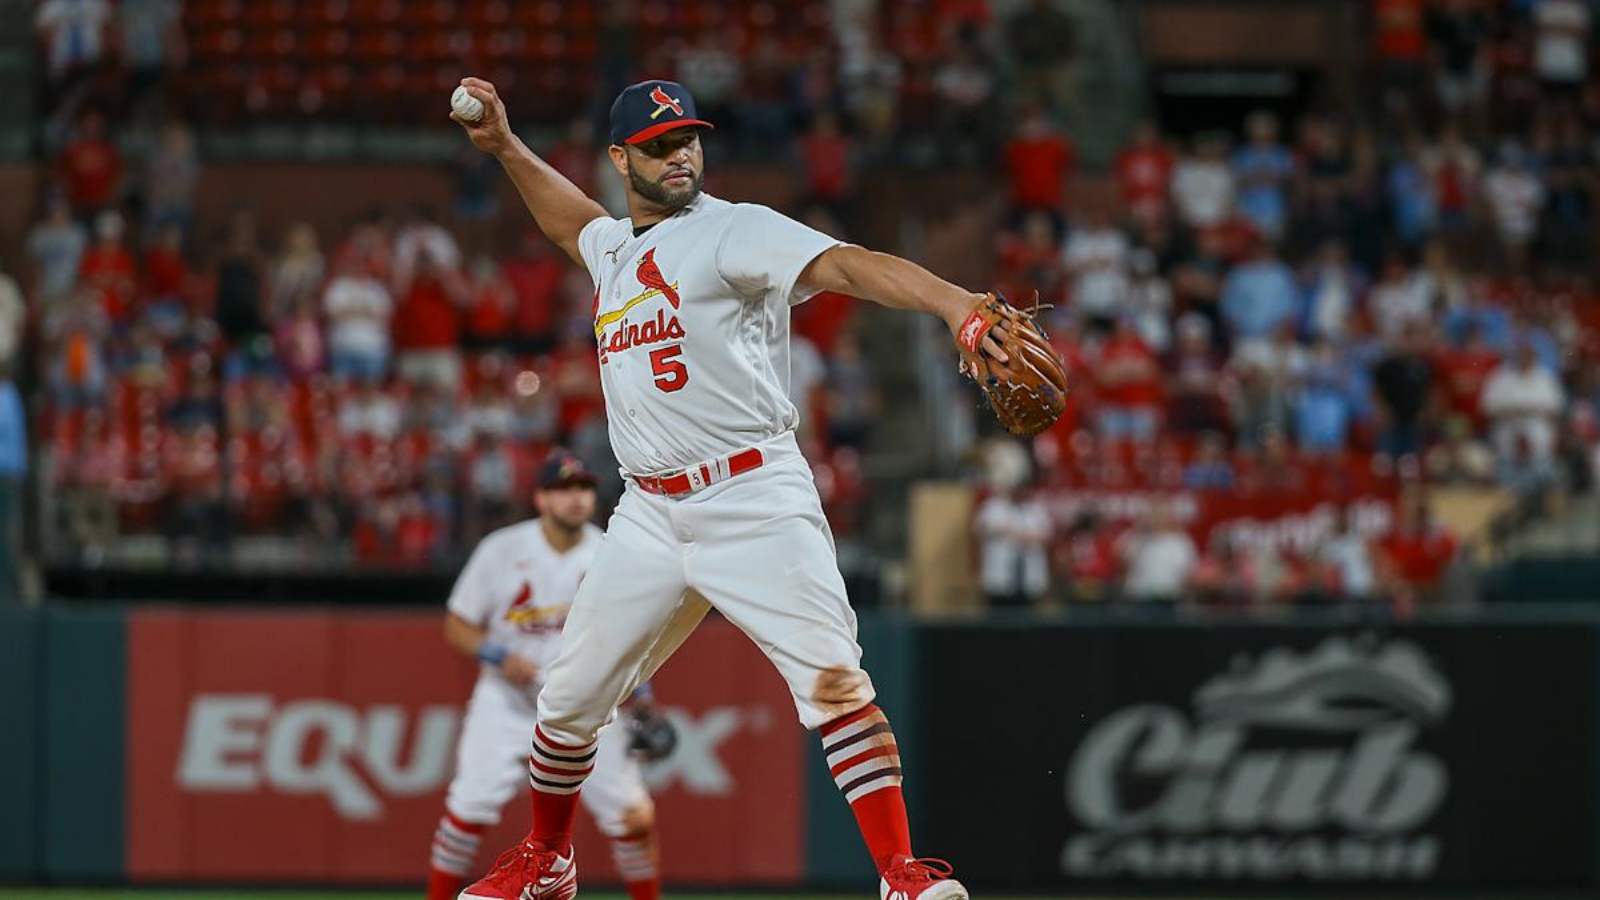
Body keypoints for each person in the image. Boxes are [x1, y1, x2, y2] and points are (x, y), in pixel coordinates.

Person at [449, 75, 997, 900]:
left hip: (751, 495)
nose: (681, 155)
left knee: (836, 682)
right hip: (648, 511)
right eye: (661, 145)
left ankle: (900, 875)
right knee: (565, 700)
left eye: (689, 139)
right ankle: (549, 860)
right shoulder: (617, 251)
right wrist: (504, 146)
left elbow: (846, 264)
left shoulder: (733, 230)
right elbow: (576, 224)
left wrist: (956, 305)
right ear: (621, 159)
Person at [426, 453, 672, 900]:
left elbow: (634, 633)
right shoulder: (502, 550)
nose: (576, 498)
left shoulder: (609, 551)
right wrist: (498, 655)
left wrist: (644, 694)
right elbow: (458, 624)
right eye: (563, 489)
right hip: (507, 699)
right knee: (468, 809)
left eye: (582, 488)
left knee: (634, 818)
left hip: (588, 704)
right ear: (540, 498)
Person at [0, 364, 25, 605]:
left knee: (6, 535)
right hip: (8, 474)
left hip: (5, 476)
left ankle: (8, 592)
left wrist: (18, 471)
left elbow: (13, 437)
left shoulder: (7, 396)